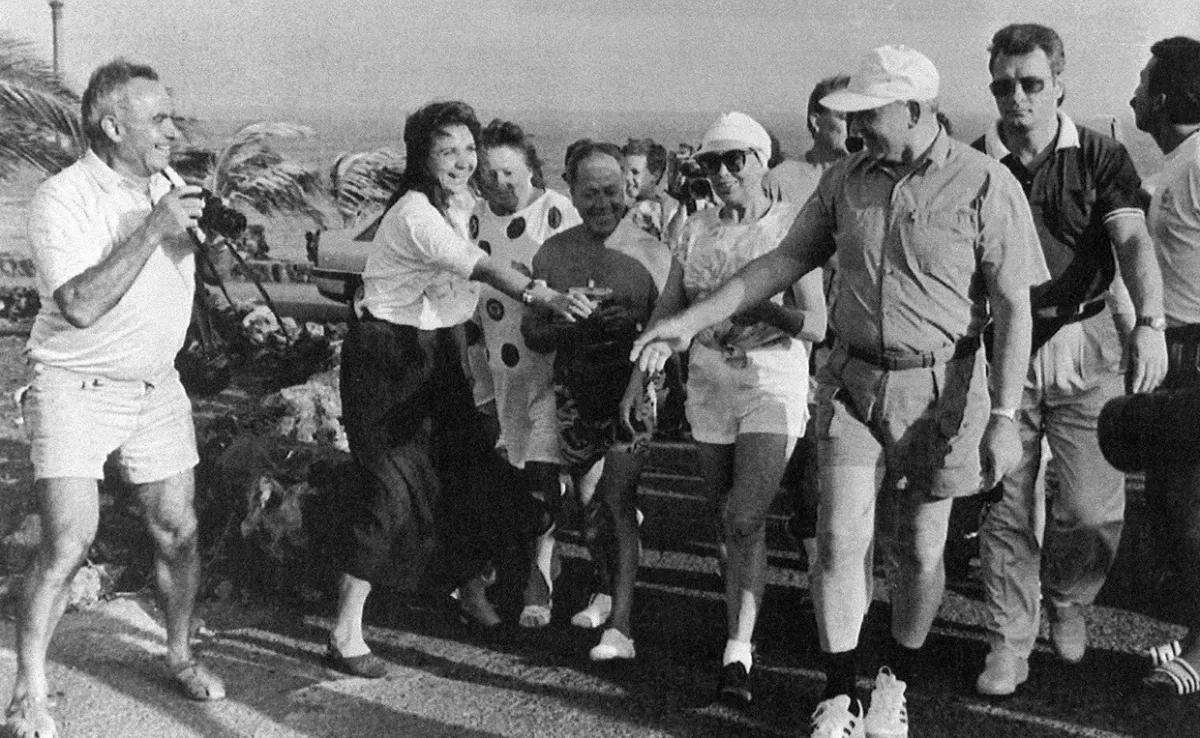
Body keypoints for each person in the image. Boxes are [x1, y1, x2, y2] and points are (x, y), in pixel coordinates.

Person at [632, 46, 1040, 738]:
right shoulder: (846, 181)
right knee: (839, 539)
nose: (855, 129)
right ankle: (839, 693)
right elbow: (783, 261)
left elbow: (1013, 306)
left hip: (944, 392)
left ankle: (894, 684)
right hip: (853, 383)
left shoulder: (985, 183)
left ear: (914, 110)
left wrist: (1003, 415)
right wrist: (686, 323)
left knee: (918, 549)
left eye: (869, 114)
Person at [327, 101, 592, 678]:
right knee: (390, 489)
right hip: (385, 360)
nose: (463, 161)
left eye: (468, 149)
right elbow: (477, 266)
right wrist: (542, 296)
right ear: (421, 156)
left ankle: (470, 588)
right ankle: (344, 629)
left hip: (440, 352)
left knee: (472, 471)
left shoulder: (465, 204)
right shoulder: (416, 212)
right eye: (447, 150)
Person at [7, 59, 226, 738]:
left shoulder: (167, 187)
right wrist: (155, 227)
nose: (172, 129)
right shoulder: (62, 198)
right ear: (111, 125)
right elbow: (76, 304)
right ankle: (27, 693)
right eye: (157, 118)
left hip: (155, 386)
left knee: (179, 532)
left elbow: (184, 278)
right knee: (68, 542)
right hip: (73, 385)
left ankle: (180, 654)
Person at [971, 24, 1168, 697]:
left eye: (1031, 84)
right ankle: (1008, 639)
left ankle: (1068, 596)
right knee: (1002, 499)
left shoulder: (1100, 155)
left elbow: (1134, 242)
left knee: (1089, 507)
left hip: (1086, 343)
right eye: (1003, 85)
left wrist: (1150, 322)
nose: (1016, 98)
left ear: (1058, 84)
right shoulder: (975, 163)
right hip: (1003, 352)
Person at [631, 111, 827, 707]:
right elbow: (670, 310)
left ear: (762, 159)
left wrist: (759, 310)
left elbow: (816, 324)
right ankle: (745, 601)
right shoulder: (690, 229)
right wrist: (648, 365)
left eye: (733, 160)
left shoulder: (791, 228)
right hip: (709, 385)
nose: (719, 174)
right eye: (709, 163)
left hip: (773, 381)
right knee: (726, 519)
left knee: (745, 516)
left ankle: (738, 649)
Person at [523, 141, 667, 661]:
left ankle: (621, 627)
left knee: (617, 501)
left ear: (628, 189)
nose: (602, 202)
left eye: (612, 191)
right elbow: (533, 335)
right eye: (590, 193)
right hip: (576, 394)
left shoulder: (654, 251)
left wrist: (634, 329)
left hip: (635, 393)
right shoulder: (553, 253)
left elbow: (675, 337)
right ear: (570, 189)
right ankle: (609, 590)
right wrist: (560, 317)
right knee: (588, 512)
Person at [472, 118, 581, 628]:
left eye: (509, 172)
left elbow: (580, 283)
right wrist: (481, 390)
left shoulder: (556, 212)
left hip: (555, 371)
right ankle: (550, 561)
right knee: (526, 480)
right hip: (498, 371)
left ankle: (541, 581)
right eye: (488, 173)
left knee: (544, 478)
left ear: (531, 169)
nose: (499, 182)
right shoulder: (471, 220)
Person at [1130, 35, 1200, 696]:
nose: (1134, 92)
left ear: (1171, 95)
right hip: (1173, 355)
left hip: (1197, 353)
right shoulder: (1180, 162)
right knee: (1174, 511)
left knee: (1192, 509)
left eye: (1145, 80)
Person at [763, 74, 854, 204]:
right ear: (816, 122)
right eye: (845, 117)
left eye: (858, 117)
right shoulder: (784, 179)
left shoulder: (869, 179)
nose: (854, 125)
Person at [622, 137, 679, 242]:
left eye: (635, 172)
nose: (627, 178)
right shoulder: (661, 206)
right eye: (625, 172)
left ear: (655, 175)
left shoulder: (643, 210)